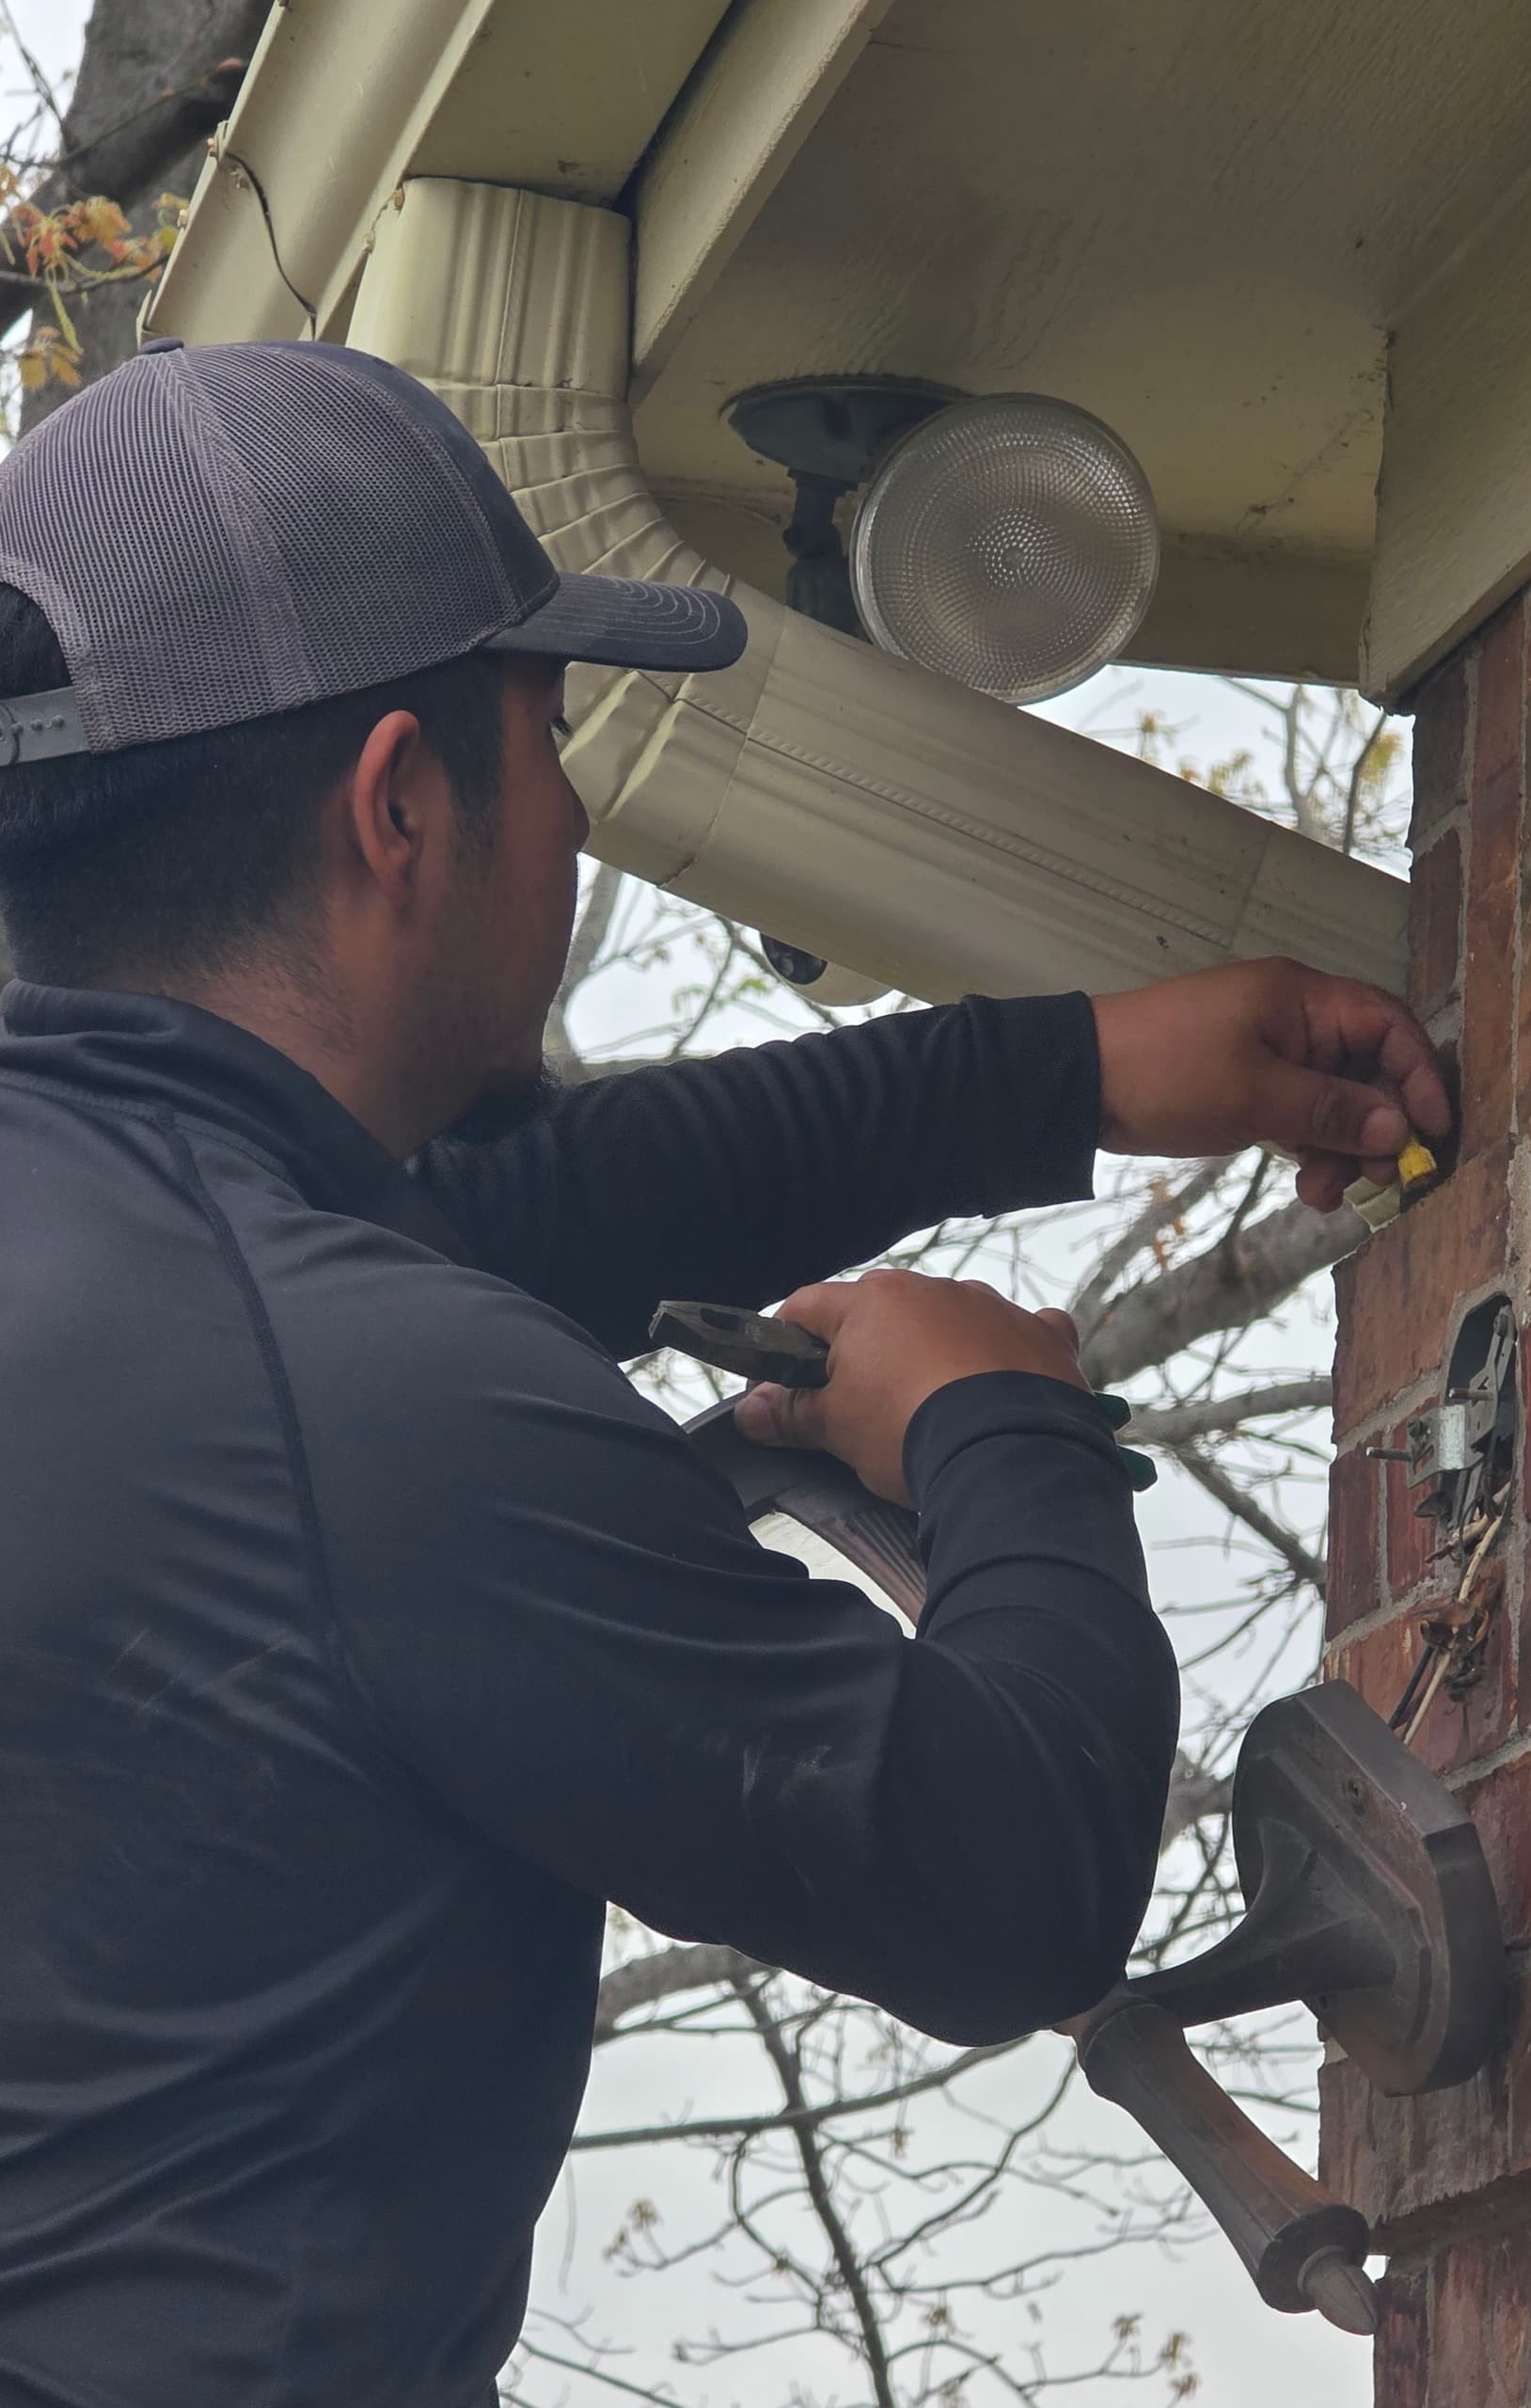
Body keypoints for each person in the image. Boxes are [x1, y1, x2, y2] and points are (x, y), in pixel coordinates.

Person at [0, 339, 1451, 2407]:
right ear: (403, 803)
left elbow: (481, 1225)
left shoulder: (153, 1285)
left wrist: (1067, 1074)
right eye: (551, 733)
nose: (580, 804)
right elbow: (1005, 1882)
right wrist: (998, 1421)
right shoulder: (351, 1387)